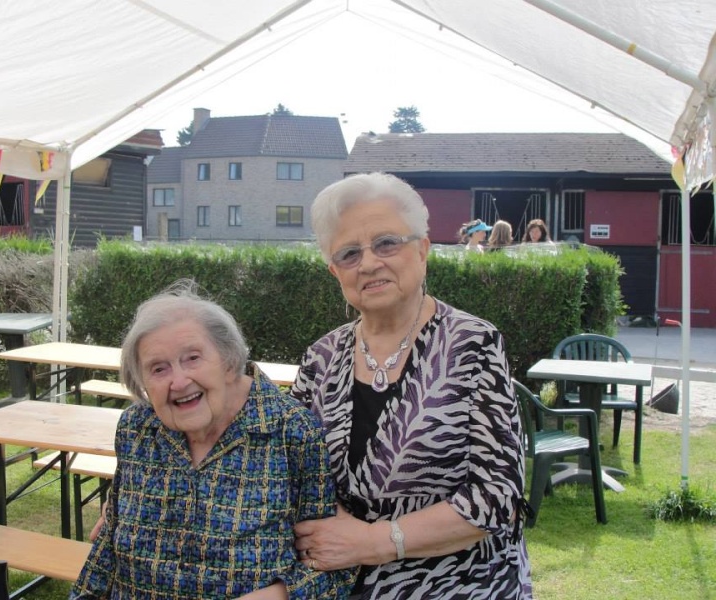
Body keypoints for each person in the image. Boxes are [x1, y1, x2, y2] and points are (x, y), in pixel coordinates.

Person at [290, 172, 532, 599]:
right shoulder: (320, 358)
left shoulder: (473, 345)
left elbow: (497, 496)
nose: (368, 263)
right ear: (334, 271)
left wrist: (373, 542)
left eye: (386, 243)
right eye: (349, 253)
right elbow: (293, 471)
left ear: (422, 249)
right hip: (341, 586)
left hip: (464, 586)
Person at [71, 281, 355, 599]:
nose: (178, 381)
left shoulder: (292, 432)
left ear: (229, 360)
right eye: (158, 368)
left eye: (192, 358)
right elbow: (108, 546)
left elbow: (334, 570)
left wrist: (277, 595)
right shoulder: (137, 428)